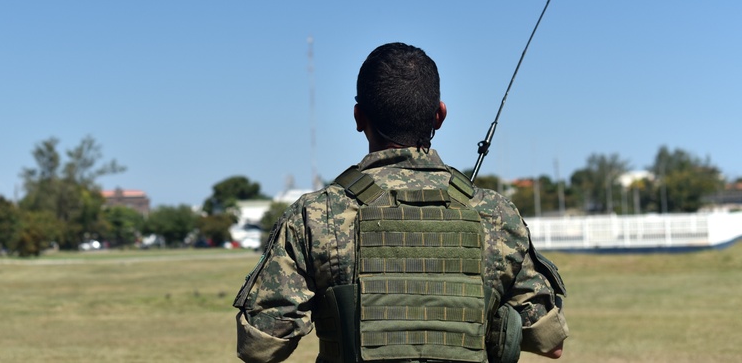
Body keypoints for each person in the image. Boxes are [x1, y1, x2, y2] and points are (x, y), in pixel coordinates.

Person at [234, 43, 569, 363]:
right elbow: (548, 341)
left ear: (358, 117)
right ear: (439, 115)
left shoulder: (316, 215)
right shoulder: (495, 214)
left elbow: (261, 346)